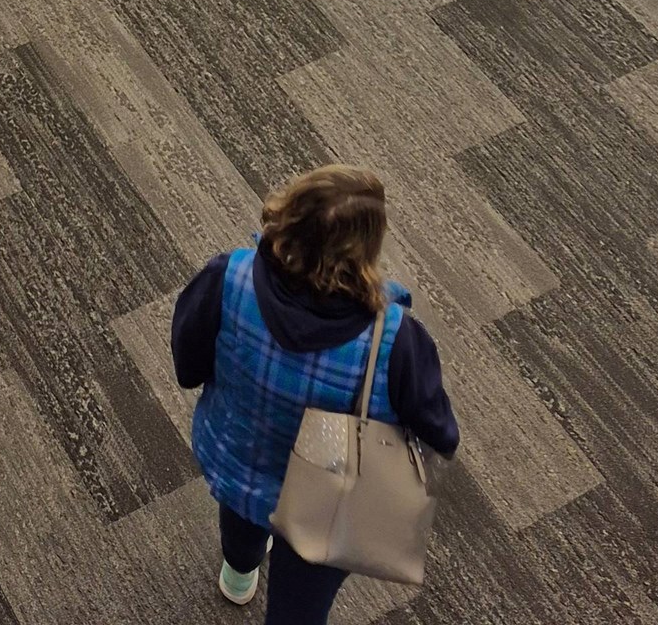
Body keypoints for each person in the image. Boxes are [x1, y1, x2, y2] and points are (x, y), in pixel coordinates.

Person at [172, 166, 460, 620]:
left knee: (241, 522)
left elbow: (188, 363)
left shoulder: (227, 277)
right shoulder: (395, 342)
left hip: (239, 459)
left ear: (288, 216)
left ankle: (239, 572)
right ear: (365, 250)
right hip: (330, 499)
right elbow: (441, 432)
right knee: (301, 603)